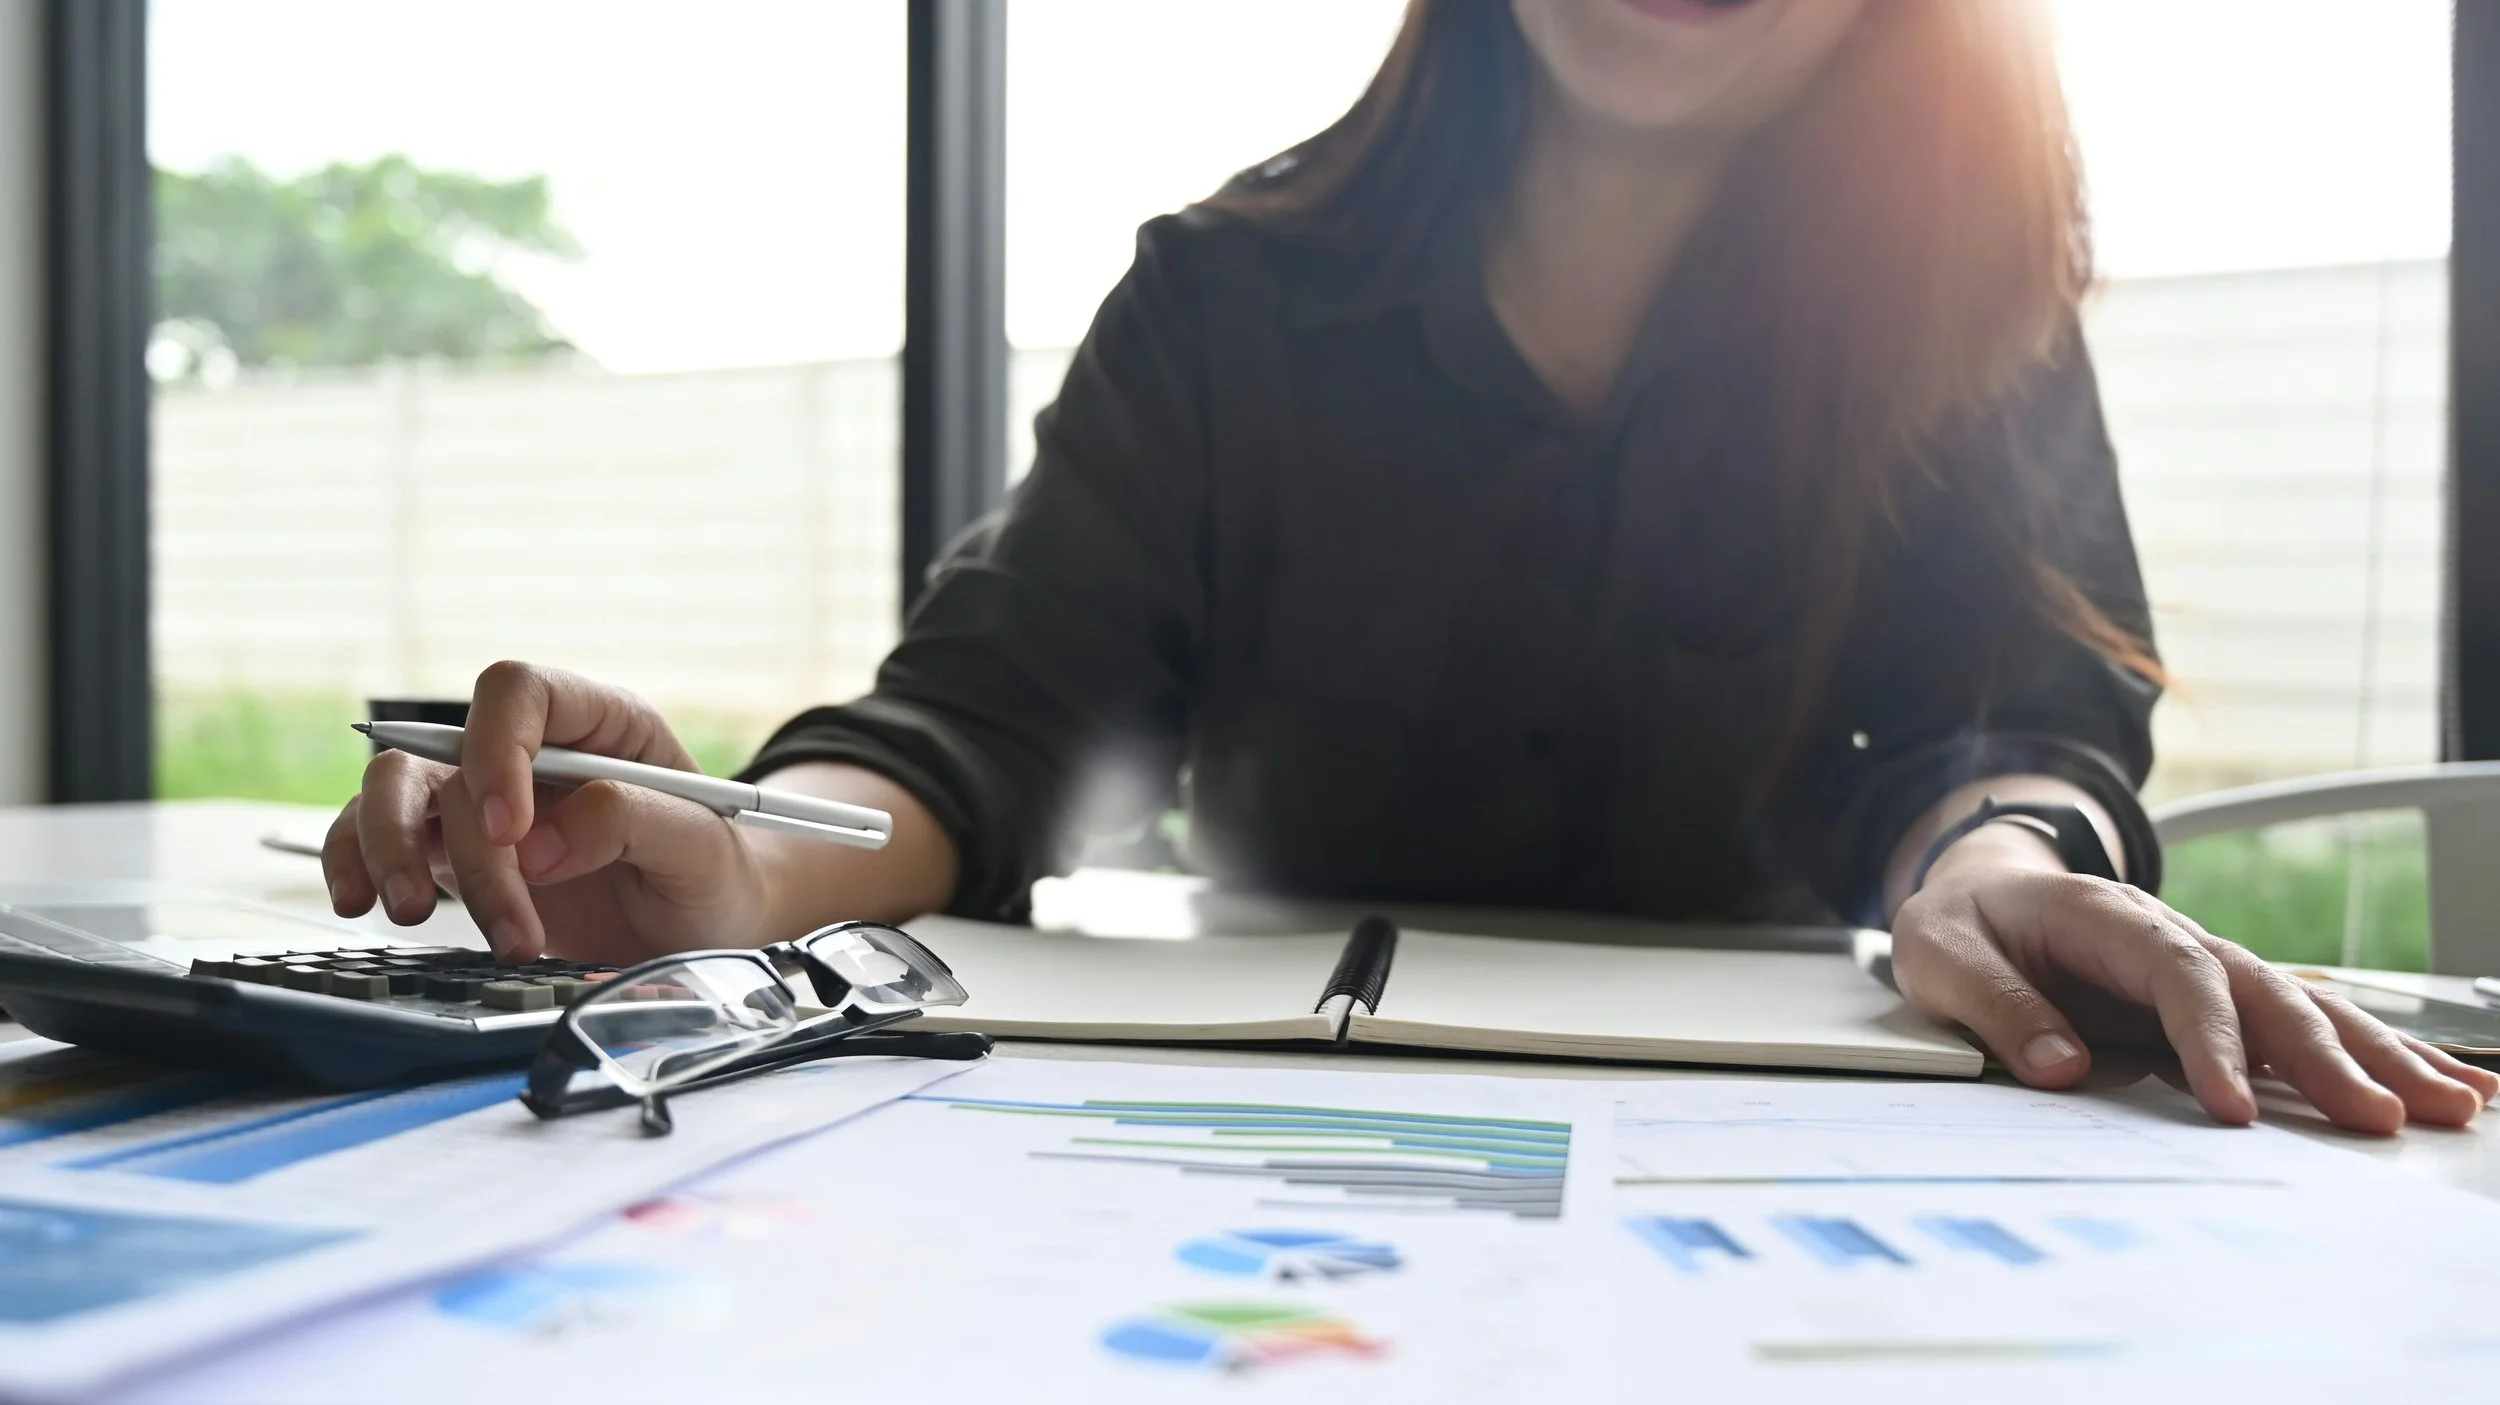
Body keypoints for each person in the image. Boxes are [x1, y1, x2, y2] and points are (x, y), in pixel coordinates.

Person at [321, 0, 2498, 1133]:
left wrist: (1995, 868)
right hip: (1246, 1139)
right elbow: (980, 737)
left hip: (1776, 1128)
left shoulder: (1971, 304)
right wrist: (730, 859)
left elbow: (2002, 728)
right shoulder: (1219, 300)